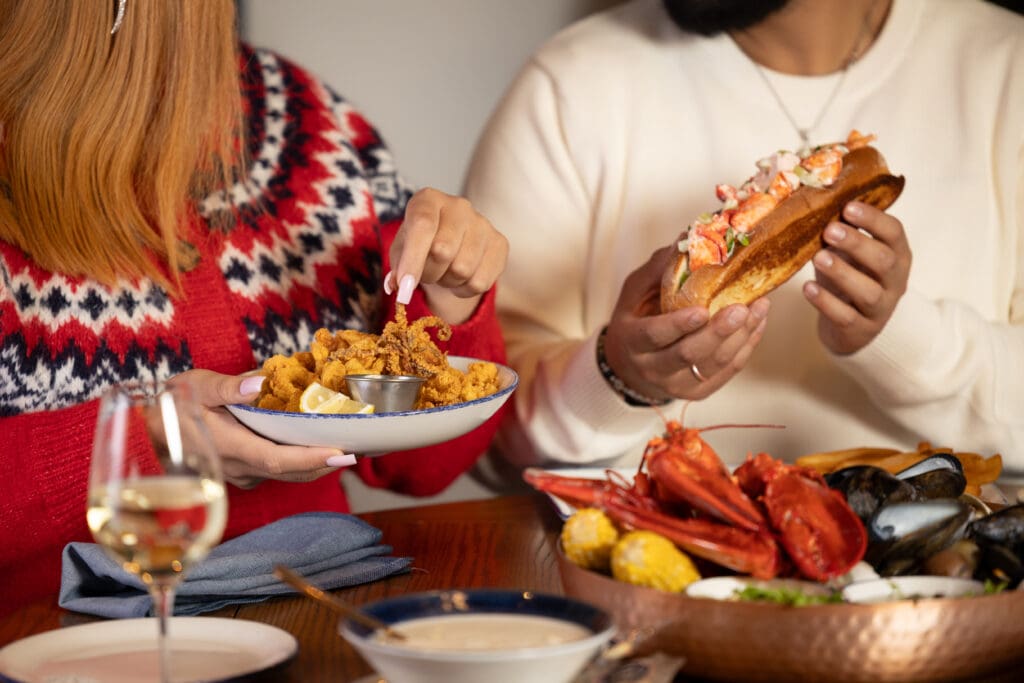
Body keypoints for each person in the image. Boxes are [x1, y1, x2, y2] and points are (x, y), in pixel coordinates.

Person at [0, 0, 508, 614]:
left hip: (314, 608)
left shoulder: (308, 123)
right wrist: (141, 443)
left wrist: (450, 301)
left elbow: (423, 468)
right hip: (49, 634)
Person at [463, 0, 1023, 476]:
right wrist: (619, 377)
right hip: (639, 575)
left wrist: (900, 334)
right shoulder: (569, 83)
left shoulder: (1006, 67)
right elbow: (475, 431)